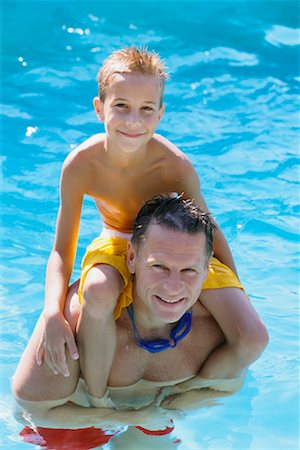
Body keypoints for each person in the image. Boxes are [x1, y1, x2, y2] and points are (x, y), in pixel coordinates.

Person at [36, 46, 268, 404]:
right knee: (97, 292)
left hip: (173, 244)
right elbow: (60, 250)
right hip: (116, 242)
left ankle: (189, 393)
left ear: (160, 114)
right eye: (121, 106)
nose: (134, 121)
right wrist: (52, 311)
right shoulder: (80, 164)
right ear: (99, 109)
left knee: (253, 335)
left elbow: (208, 229)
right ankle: (98, 397)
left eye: (146, 110)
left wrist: (236, 288)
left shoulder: (175, 165)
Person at [12, 195, 268, 432]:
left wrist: (178, 403)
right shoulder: (77, 322)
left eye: (189, 270)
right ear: (132, 257)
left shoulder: (219, 329)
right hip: (74, 424)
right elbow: (34, 412)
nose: (173, 287)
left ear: (206, 267)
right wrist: (126, 419)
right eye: (159, 266)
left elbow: (228, 387)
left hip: (154, 423)